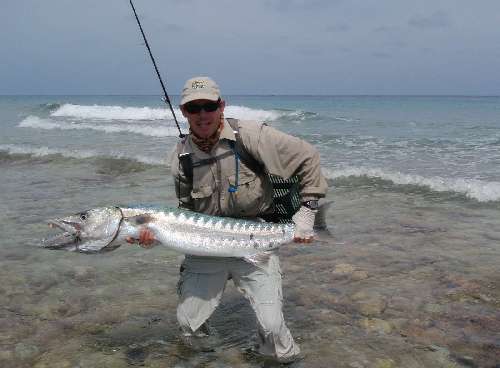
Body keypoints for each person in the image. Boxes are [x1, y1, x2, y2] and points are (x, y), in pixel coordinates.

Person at [132, 76, 328, 363]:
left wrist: (308, 210)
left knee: (273, 330)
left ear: (221, 106)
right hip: (206, 247)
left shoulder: (251, 136)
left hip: (254, 237)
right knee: (189, 326)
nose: (202, 115)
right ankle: (212, 357)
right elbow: (185, 208)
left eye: (208, 106)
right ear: (184, 112)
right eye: (193, 108)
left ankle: (279, 358)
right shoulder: (180, 158)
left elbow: (308, 156)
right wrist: (154, 236)